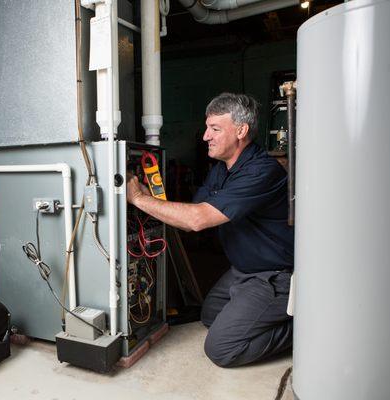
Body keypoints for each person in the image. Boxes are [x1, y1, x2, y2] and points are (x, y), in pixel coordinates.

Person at [126, 93, 294, 367]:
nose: (205, 136)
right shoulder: (221, 170)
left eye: (215, 129)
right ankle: (250, 310)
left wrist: (139, 199)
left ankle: (301, 329)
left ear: (241, 131)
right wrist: (150, 199)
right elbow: (191, 215)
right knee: (210, 314)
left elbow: (197, 220)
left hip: (272, 276)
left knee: (222, 348)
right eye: (207, 128)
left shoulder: (261, 172)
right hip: (242, 271)